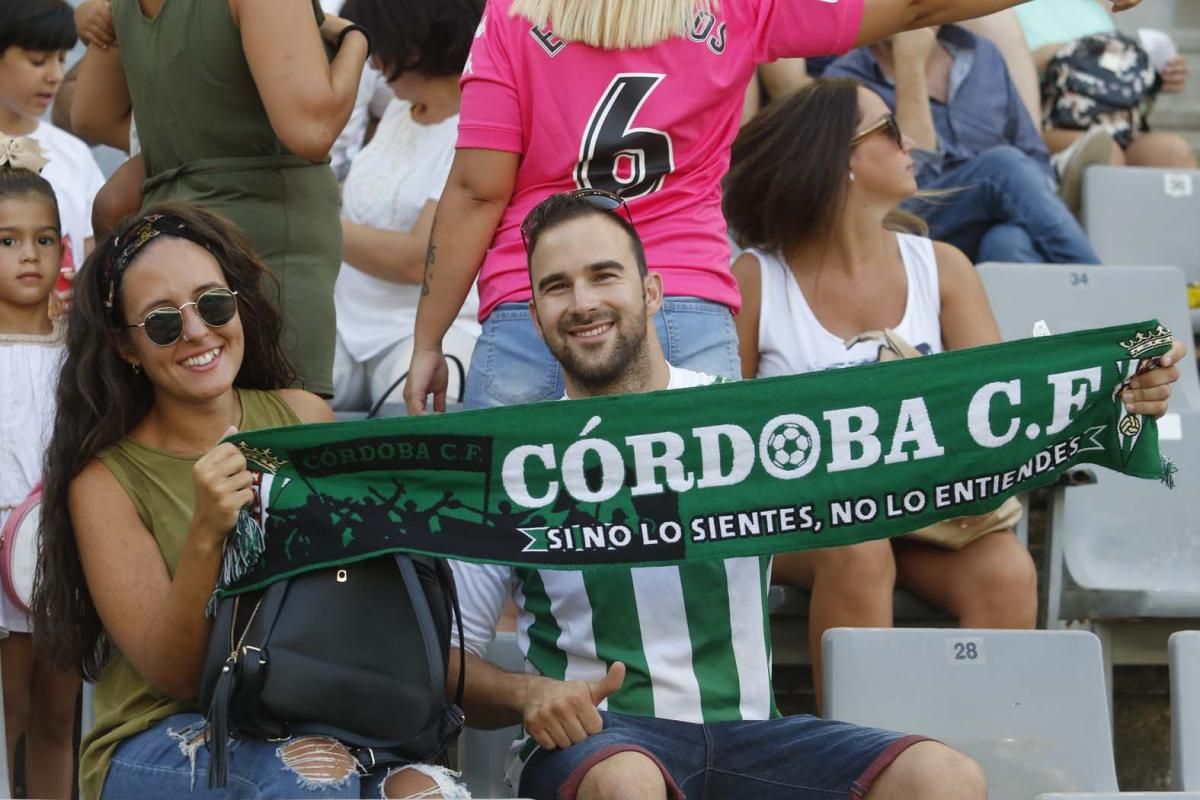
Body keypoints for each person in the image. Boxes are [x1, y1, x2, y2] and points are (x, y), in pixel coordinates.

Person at [449, 190, 997, 800]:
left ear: (652, 292)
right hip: (601, 741)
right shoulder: (511, 463)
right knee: (630, 781)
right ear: (535, 316)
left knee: (945, 778)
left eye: (604, 276)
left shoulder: (744, 423)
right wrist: (530, 694)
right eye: (557, 287)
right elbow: (449, 664)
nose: (583, 303)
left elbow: (927, 437)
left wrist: (1100, 397)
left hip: (751, 738)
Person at [404, 0, 1146, 416]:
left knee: (506, 556)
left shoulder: (509, 17)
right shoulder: (736, 7)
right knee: (701, 552)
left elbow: (478, 190)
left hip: (539, 306)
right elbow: (916, 5)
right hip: (681, 304)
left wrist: (430, 338)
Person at [723, 79, 1188, 711]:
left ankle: (985, 754)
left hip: (923, 515)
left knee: (1006, 571)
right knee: (859, 550)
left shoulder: (940, 268)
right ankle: (861, 763)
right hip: (805, 524)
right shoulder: (758, 280)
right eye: (889, 129)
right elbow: (724, 437)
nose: (910, 139)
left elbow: (1002, 414)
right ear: (842, 160)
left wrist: (1117, 388)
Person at [29, 205, 466, 799]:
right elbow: (176, 676)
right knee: (315, 781)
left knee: (427, 794)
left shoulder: (302, 416)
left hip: (304, 711)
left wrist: (520, 693)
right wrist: (209, 531)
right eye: (161, 323)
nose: (197, 332)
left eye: (212, 304)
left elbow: (358, 606)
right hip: (158, 733)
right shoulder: (104, 480)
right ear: (126, 348)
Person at [68, 0, 370, 398]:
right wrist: (355, 41)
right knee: (281, 436)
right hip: (267, 253)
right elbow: (312, 130)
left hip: (170, 250)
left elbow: (92, 115)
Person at [825, 25, 1105, 261]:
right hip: (906, 218)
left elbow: (1032, 154)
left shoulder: (983, 54)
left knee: (1007, 243)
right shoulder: (845, 84)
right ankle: (1111, 299)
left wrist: (1026, 198)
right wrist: (910, 67)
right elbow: (910, 182)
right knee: (1002, 167)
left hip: (996, 210)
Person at [329, 0, 483, 412]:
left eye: (375, 48)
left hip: (424, 334)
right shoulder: (400, 108)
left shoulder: (472, 129)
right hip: (345, 323)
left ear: (411, 48)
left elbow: (419, 259)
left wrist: (315, 221)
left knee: (415, 417)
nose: (372, 66)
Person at [0, 138, 79, 800]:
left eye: (43, 238)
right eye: (7, 240)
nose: (29, 254)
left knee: (58, 714)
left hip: (60, 549)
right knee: (10, 710)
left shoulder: (81, 354)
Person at [0, 0, 105, 300]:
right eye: (38, 61)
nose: (55, 75)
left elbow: (89, 250)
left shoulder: (73, 154)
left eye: (61, 59)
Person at [1015, 0, 1197, 169]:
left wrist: (1153, 74)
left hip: (1115, 124)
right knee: (1103, 152)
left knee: (1173, 153)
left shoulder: (1094, 5)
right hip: (1041, 122)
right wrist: (1062, 57)